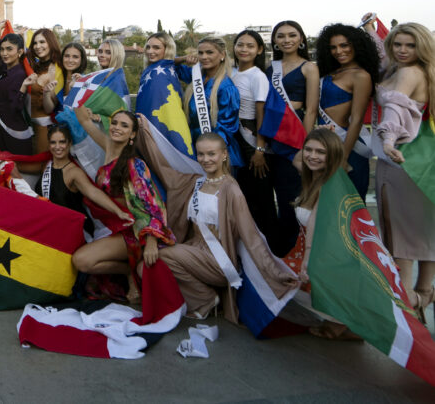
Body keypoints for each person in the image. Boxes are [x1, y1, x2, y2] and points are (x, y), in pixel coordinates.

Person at [138, 129, 299, 321]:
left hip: (218, 260)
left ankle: (203, 299)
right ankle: (203, 296)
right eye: (201, 154)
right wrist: (143, 132)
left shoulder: (231, 191)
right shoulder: (194, 182)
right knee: (143, 267)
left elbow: (251, 237)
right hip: (194, 250)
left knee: (161, 256)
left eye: (211, 154)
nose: (206, 159)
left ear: (224, 155)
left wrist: (275, 273)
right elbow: (163, 167)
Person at [71, 107, 175, 303]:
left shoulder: (134, 165)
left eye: (124, 125)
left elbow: (152, 204)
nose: (117, 127)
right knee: (80, 262)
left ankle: (131, 271)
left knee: (82, 260)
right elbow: (82, 119)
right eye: (115, 123)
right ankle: (128, 270)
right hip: (116, 228)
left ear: (133, 134)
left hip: (135, 232)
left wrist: (152, 240)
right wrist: (75, 86)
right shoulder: (109, 147)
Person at [369, 21, 435, 321]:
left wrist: (387, 139)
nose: (403, 50)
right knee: (424, 237)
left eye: (410, 45)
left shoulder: (408, 72)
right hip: (424, 162)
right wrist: (372, 30)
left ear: (421, 47)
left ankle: (408, 315)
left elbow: (396, 109)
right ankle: (423, 297)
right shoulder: (415, 69)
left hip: (403, 161)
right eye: (397, 44)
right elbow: (384, 58)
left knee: (402, 243)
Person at [279, 129, 361, 339]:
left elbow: (316, 225)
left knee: (280, 281)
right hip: (312, 251)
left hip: (326, 257)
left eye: (321, 152)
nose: (312, 156)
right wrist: (321, 134)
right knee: (275, 276)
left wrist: (307, 261)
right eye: (309, 149)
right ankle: (340, 319)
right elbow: (299, 159)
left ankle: (339, 322)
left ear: (333, 155)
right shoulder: (314, 175)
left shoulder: (329, 185)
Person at [262, 20, 319, 256]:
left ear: (301, 39)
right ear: (274, 40)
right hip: (272, 137)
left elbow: (312, 109)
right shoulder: (270, 67)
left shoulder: (309, 68)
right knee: (271, 198)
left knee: (290, 198)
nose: (286, 40)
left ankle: (296, 253)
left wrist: (304, 146)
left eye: (292, 35)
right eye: (281, 36)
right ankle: (279, 253)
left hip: (295, 137)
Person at [14, 124, 133, 238]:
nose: (57, 147)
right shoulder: (45, 165)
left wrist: (118, 211)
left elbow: (93, 192)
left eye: (62, 142)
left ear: (69, 144)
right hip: (49, 226)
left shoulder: (74, 172)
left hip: (71, 230)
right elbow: (15, 167)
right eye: (53, 142)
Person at [314, 23, 378, 200]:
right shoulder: (330, 72)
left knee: (352, 205)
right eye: (333, 47)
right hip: (324, 145)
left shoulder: (361, 76)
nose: (338, 51)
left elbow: (357, 119)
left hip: (348, 148)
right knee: (327, 204)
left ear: (356, 45)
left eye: (344, 45)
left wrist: (344, 156)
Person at [229, 29, 275, 234]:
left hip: (251, 142)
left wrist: (260, 150)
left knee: (259, 199)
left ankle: (268, 250)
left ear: (259, 50)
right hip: (233, 138)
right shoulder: (230, 72)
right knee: (240, 196)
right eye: (240, 44)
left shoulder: (258, 77)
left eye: (250, 46)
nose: (244, 49)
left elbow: (261, 114)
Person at [173, 36, 242, 169]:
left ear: (222, 55)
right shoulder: (197, 76)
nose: (204, 57)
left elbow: (227, 128)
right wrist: (183, 58)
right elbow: (169, 64)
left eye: (209, 52)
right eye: (200, 53)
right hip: (196, 150)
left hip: (217, 155)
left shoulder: (226, 87)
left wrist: (208, 153)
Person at [0, 27, 33, 155]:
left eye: (9, 49)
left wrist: (23, 87)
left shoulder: (19, 74)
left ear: (20, 52)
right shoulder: (7, 69)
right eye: (3, 49)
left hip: (15, 134)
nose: (4, 53)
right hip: (4, 131)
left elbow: (16, 108)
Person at [24, 28, 62, 154]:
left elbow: (52, 107)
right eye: (35, 43)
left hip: (44, 129)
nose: (37, 46)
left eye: (42, 42)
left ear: (51, 43)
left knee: (41, 168)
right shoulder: (34, 66)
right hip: (28, 127)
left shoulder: (56, 69)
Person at [42, 41, 90, 118]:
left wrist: (76, 89)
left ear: (82, 60)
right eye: (67, 56)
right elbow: (48, 110)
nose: (70, 60)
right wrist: (46, 94)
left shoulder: (86, 82)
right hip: (58, 127)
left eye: (75, 57)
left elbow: (86, 112)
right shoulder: (58, 78)